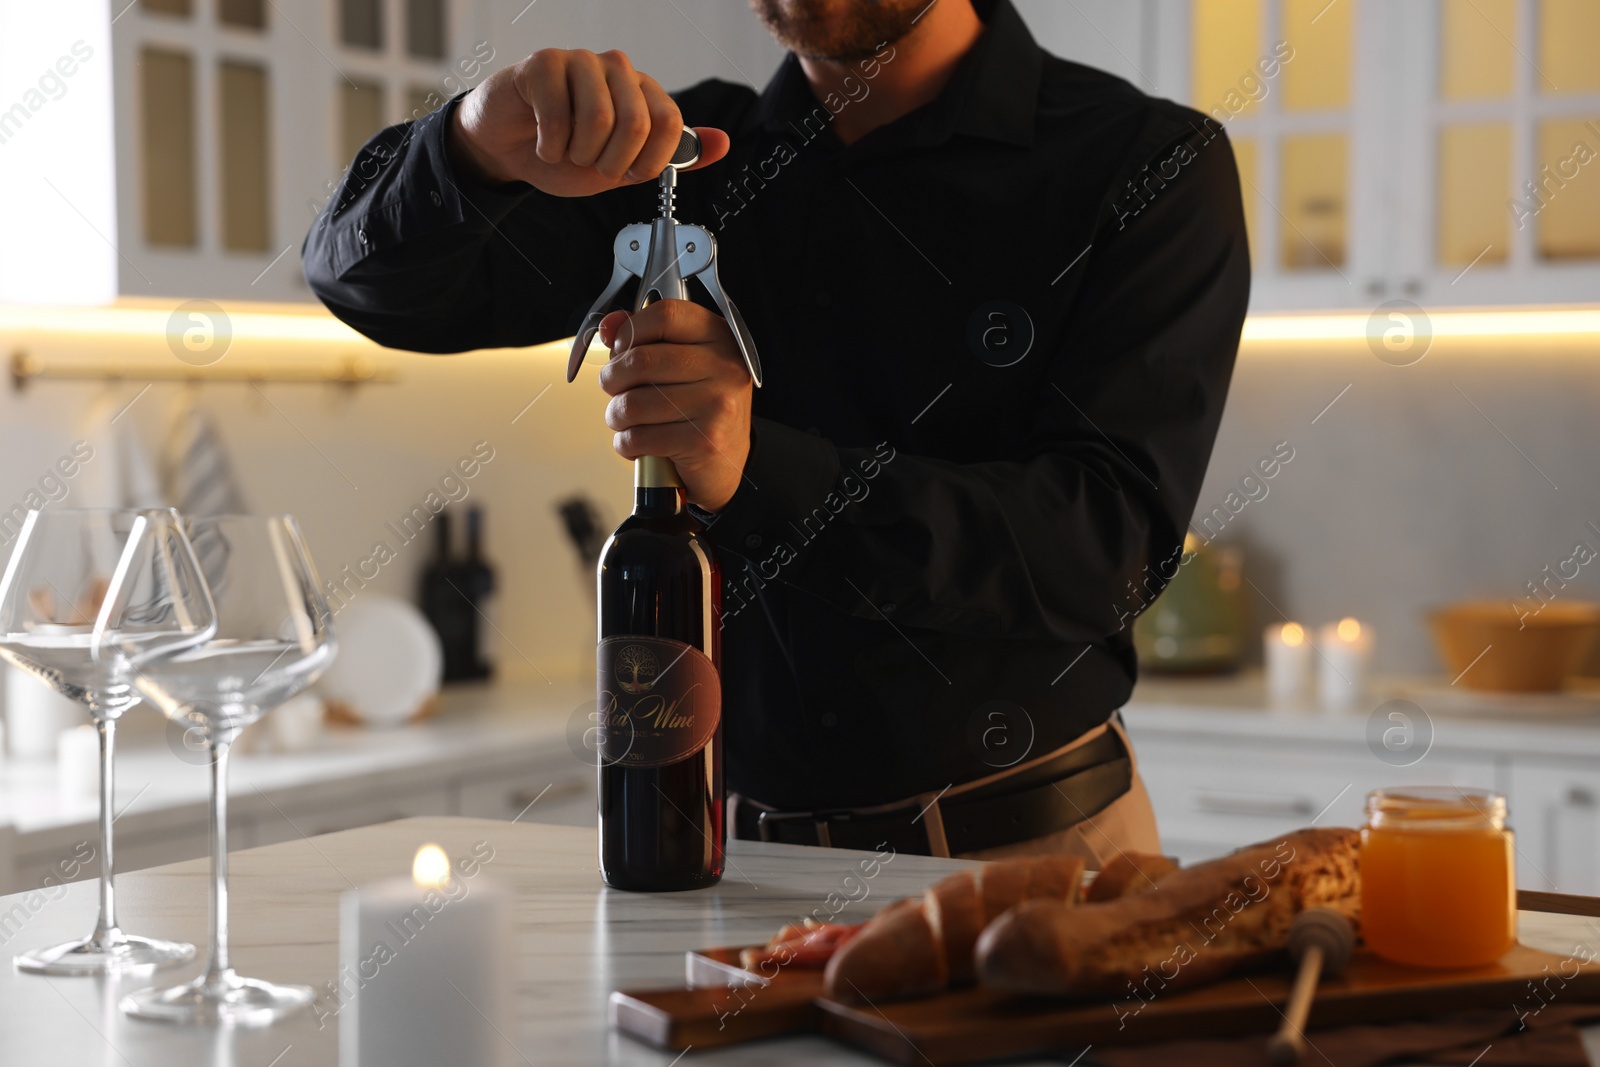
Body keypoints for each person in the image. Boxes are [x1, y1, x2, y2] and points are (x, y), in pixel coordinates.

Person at [302, 0, 1250, 863]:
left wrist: (758, 469)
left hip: (1032, 864)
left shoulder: (1148, 165)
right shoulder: (674, 161)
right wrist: (470, 144)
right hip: (720, 864)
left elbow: (1103, 552)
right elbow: (375, 288)